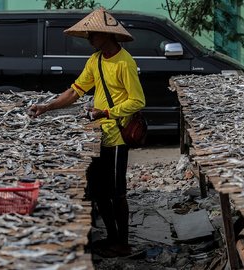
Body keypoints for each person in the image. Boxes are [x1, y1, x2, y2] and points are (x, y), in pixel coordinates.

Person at [29, 7, 145, 257]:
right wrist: (46, 107)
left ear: (107, 35)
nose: (89, 37)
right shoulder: (96, 60)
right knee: (99, 191)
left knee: (117, 193)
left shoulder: (125, 62)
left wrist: (105, 113)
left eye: (93, 33)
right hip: (97, 136)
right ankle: (111, 238)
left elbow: (137, 101)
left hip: (116, 136)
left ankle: (123, 243)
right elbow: (75, 91)